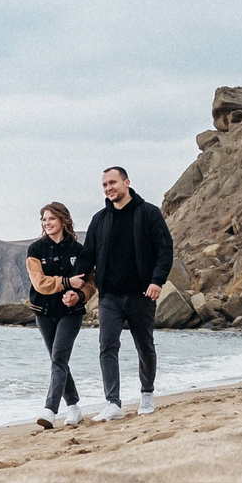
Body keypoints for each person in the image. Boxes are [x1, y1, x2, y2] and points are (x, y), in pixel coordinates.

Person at [81, 165, 173, 421]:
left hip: (142, 294)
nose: (108, 188)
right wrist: (75, 280)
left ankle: (147, 394)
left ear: (126, 182)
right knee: (107, 347)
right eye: (104, 185)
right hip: (109, 296)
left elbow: (165, 249)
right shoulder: (100, 219)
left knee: (145, 346)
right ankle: (113, 402)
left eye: (112, 182)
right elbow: (88, 255)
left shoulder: (148, 213)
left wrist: (157, 281)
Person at [26, 202, 91, 428]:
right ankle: (74, 407)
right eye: (44, 219)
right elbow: (39, 283)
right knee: (58, 360)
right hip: (43, 313)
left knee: (59, 358)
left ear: (63, 220)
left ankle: (50, 410)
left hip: (71, 313)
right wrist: (66, 282)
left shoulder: (79, 250)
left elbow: (90, 283)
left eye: (51, 218)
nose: (47, 223)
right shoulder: (35, 250)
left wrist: (78, 295)